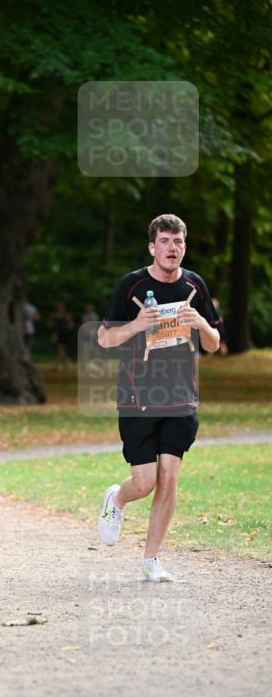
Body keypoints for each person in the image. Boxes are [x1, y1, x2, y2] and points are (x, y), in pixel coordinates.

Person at [96, 213, 222, 582]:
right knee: (145, 481)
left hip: (182, 398)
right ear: (153, 247)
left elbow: (214, 346)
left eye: (178, 241)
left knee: (169, 478)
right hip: (138, 397)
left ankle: (151, 560)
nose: (172, 248)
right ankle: (117, 499)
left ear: (185, 246)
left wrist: (200, 324)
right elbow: (104, 339)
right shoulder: (131, 286)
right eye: (165, 241)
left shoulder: (195, 286)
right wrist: (137, 325)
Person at [48, 302, 74, 368]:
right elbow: (49, 323)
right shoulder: (54, 315)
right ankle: (65, 361)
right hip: (57, 333)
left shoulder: (66, 315)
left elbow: (71, 324)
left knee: (61, 348)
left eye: (61, 307)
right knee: (59, 348)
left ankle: (58, 363)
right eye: (59, 307)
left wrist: (69, 325)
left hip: (64, 333)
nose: (60, 308)